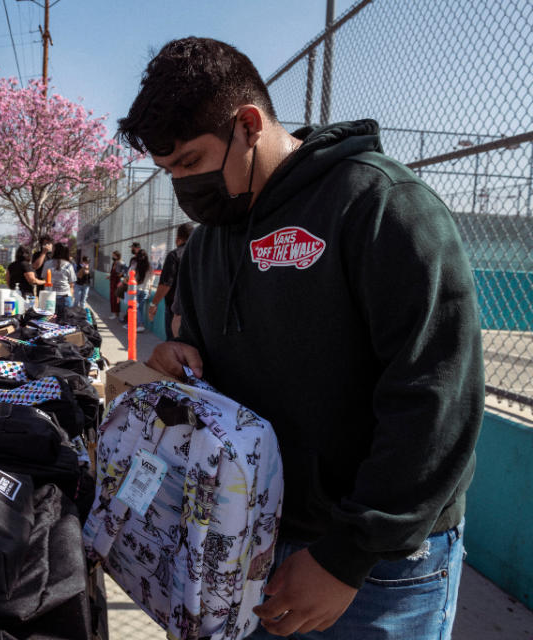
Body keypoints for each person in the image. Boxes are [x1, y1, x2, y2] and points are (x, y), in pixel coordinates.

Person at [119, 37, 483, 639]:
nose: (183, 186)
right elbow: (222, 372)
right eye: (169, 171)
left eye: (190, 162)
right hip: (245, 543)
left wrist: (346, 557)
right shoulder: (212, 238)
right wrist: (177, 364)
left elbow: (437, 397)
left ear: (248, 124)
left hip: (375, 570)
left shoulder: (377, 203)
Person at [148, 222, 194, 340]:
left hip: (176, 309)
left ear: (178, 239)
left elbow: (166, 284)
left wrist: (154, 304)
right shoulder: (201, 254)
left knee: (174, 344)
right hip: (197, 309)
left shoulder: (175, 255)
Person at [40, 242, 75, 317]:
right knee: (65, 323)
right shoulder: (69, 265)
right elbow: (71, 284)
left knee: (48, 322)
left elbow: (44, 280)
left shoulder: (47, 263)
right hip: (65, 297)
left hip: (49, 297)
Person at [108, 250, 124, 319]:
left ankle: (116, 313)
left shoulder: (120, 263)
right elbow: (113, 273)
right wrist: (110, 276)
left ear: (117, 256)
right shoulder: (114, 263)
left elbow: (123, 272)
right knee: (112, 298)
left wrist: (121, 274)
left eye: (113, 255)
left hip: (117, 283)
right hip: (112, 283)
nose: (112, 257)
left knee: (116, 298)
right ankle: (114, 313)